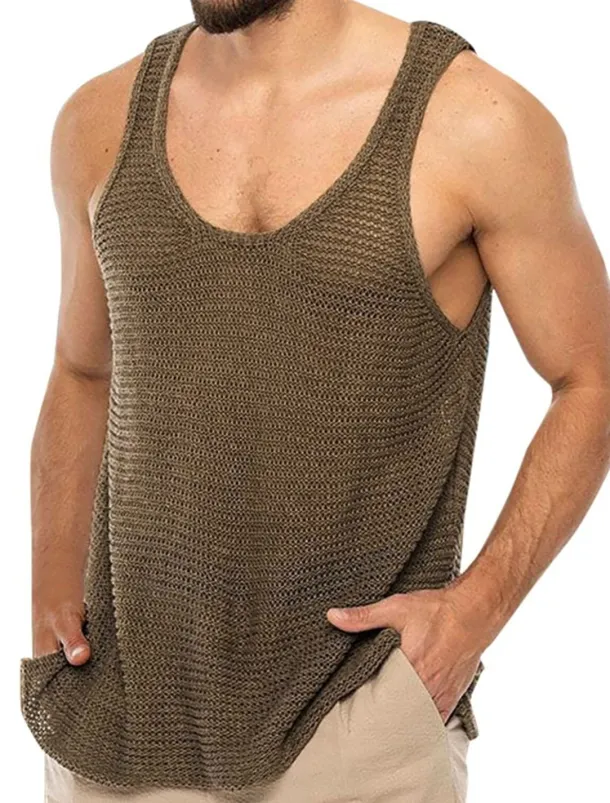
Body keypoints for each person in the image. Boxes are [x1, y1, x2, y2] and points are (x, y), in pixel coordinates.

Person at [21, 1, 610, 802]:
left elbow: (589, 379)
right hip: (118, 730)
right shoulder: (99, 120)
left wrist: (473, 612)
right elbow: (81, 370)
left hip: (359, 719)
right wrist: (51, 598)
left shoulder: (477, 120)